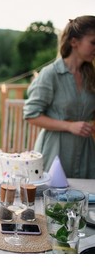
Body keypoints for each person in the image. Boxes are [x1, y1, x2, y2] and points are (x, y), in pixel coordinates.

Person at [23, 15, 95, 178]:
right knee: (52, 200)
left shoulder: (91, 77)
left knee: (87, 201)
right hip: (54, 153)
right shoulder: (50, 74)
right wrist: (69, 126)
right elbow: (31, 115)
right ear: (74, 42)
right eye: (93, 42)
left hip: (86, 154)